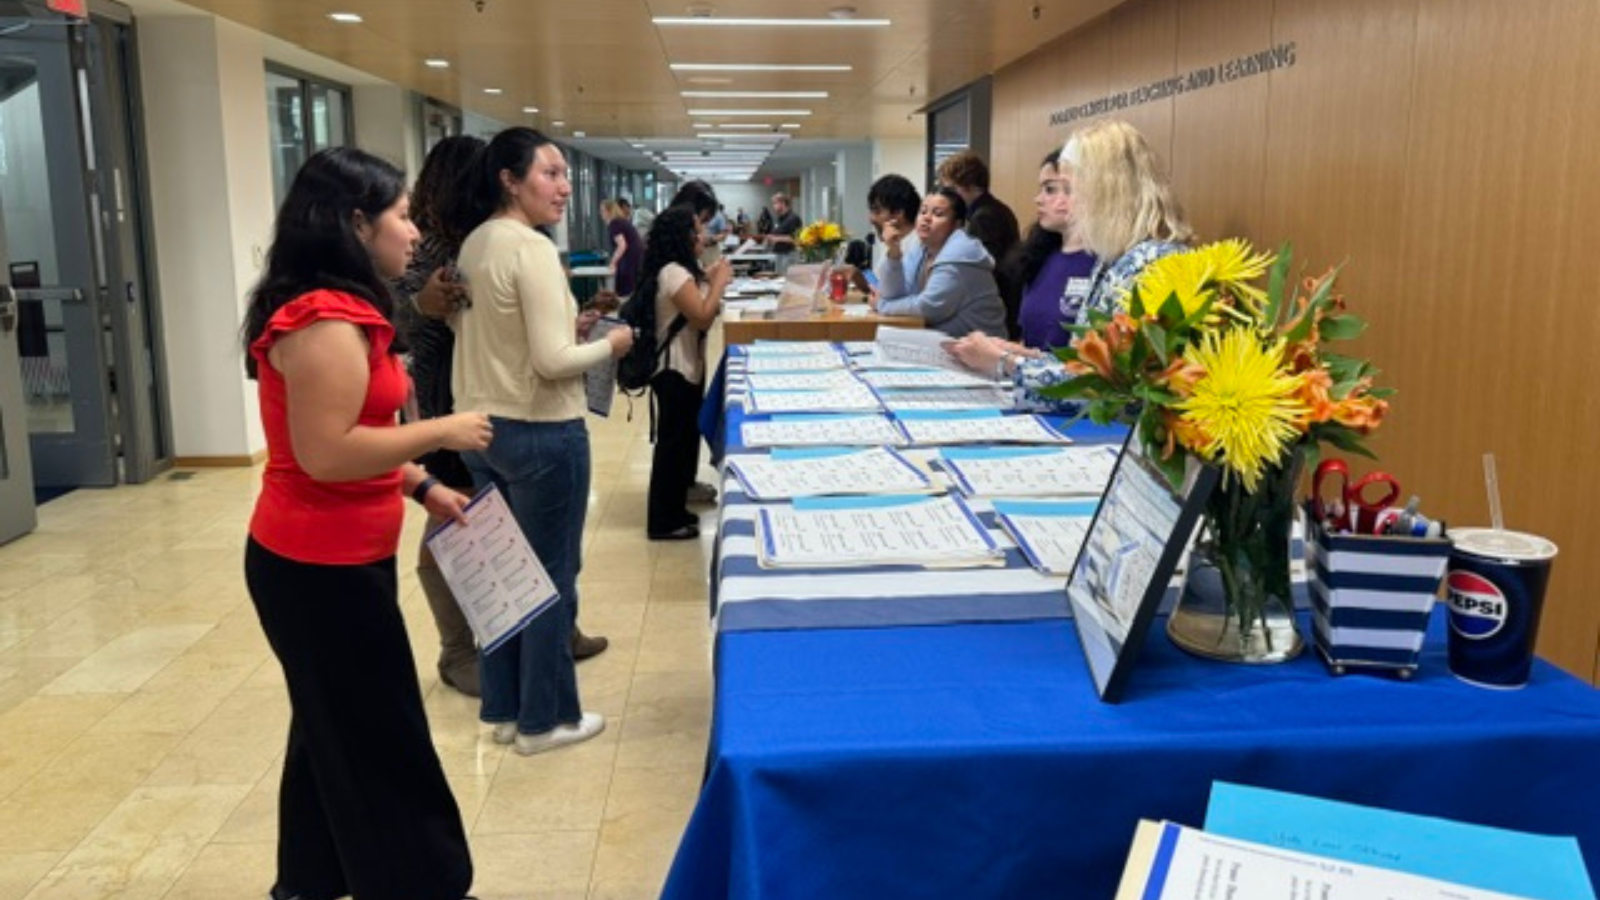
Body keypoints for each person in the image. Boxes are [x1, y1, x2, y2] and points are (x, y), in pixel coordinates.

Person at [241, 147, 491, 900]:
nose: (414, 233)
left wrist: (418, 487)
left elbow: (356, 432)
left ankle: (307, 884)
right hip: (314, 568)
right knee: (383, 737)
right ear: (356, 222)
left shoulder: (346, 309)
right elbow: (326, 453)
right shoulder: (321, 320)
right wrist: (438, 435)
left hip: (344, 555)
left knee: (328, 731)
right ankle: (426, 883)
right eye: (403, 216)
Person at [453, 127, 635, 755]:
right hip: (539, 430)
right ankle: (547, 720)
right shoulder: (530, 248)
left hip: (480, 430)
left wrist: (574, 327)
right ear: (510, 178)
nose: (563, 188)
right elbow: (555, 361)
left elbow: (511, 339)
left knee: (505, 574)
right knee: (551, 576)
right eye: (550, 174)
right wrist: (610, 343)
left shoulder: (475, 243)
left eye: (565, 175)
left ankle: (503, 710)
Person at [946, 120, 1193, 405]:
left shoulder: (1154, 263)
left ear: (1107, 192)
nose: (1067, 204)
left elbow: (1114, 388)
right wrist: (1024, 355)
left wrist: (1005, 363)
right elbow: (1087, 362)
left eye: (1071, 190)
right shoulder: (1114, 259)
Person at [391, 135, 485, 697]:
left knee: (493, 512)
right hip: (439, 402)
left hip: (477, 397)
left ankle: (535, 626)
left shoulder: (472, 241)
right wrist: (421, 306)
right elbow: (391, 317)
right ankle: (456, 650)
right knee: (448, 516)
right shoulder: (423, 250)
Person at [636, 205, 732, 540]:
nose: (702, 237)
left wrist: (707, 279)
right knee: (671, 448)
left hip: (686, 368)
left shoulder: (680, 271)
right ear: (682, 237)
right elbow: (702, 316)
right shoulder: (674, 273)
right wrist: (718, 282)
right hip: (673, 370)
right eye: (696, 231)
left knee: (680, 446)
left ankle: (675, 510)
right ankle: (662, 521)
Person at [873, 186, 1006, 338]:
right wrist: (894, 252)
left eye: (938, 214)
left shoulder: (961, 254)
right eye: (923, 212)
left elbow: (928, 308)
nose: (926, 218)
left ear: (957, 225)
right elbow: (895, 295)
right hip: (947, 343)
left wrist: (882, 305)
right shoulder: (921, 249)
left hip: (983, 350)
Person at [1009, 149, 1098, 351]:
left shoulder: (1106, 263)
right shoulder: (1039, 256)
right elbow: (1031, 340)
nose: (1038, 199)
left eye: (1050, 189)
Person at [938, 150, 1023, 339]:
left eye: (951, 189)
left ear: (968, 186)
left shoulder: (984, 217)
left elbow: (980, 269)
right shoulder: (994, 210)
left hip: (998, 308)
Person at [602, 198, 644, 297]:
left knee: (625, 290)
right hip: (636, 258)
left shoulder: (615, 223)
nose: (601, 214)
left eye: (602, 210)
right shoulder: (622, 221)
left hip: (629, 259)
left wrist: (613, 262)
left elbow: (622, 246)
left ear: (609, 211)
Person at [764, 193, 802, 271]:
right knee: (778, 279)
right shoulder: (779, 219)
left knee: (787, 279)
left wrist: (776, 239)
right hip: (779, 253)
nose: (773, 206)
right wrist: (770, 238)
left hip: (789, 254)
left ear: (783, 203)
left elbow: (795, 238)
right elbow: (776, 234)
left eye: (775, 203)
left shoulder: (793, 218)